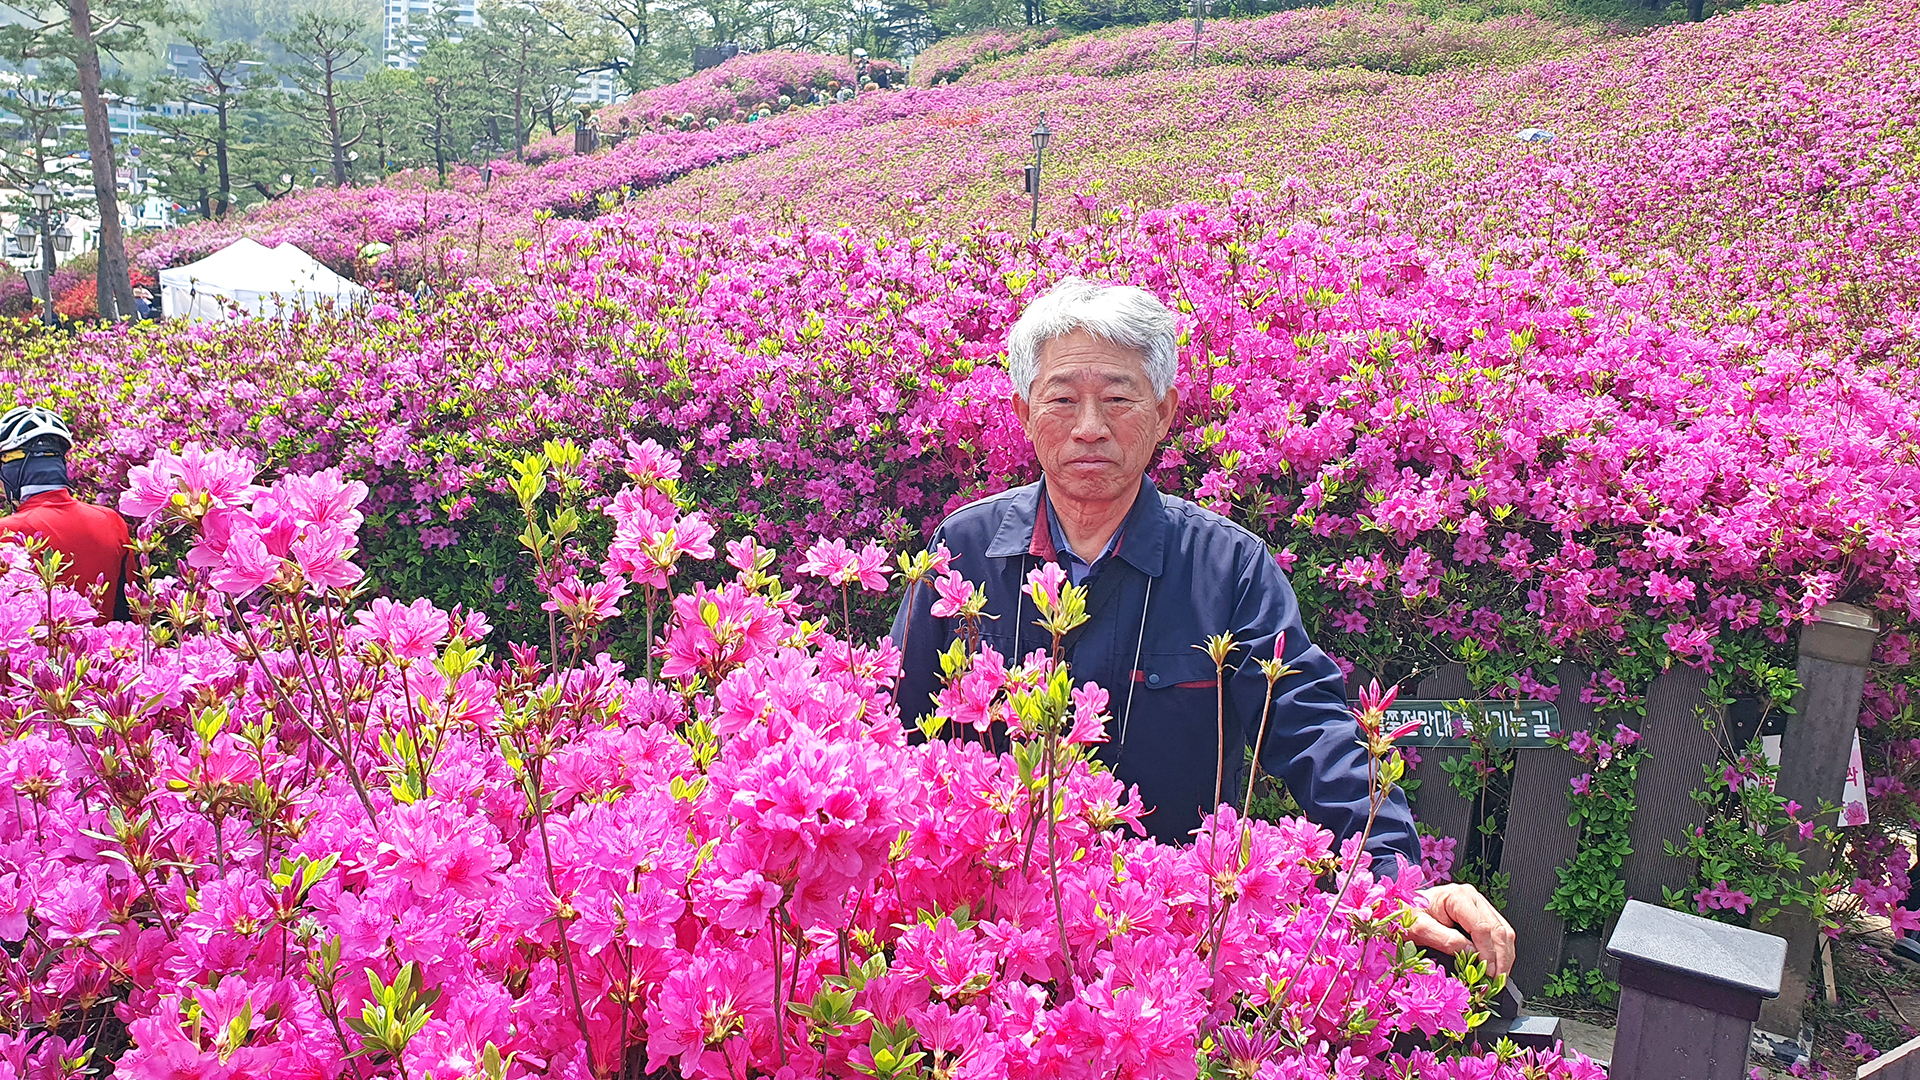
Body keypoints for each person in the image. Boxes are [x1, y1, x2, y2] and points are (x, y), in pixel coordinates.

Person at [891, 277, 1516, 975]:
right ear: (1023, 411)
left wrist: (1396, 877)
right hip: (990, 933)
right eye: (1062, 399)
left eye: (1119, 398)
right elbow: (894, 731)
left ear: (1164, 412)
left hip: (1169, 943)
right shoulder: (964, 550)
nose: (1090, 426)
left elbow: (1312, 730)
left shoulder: (1228, 568)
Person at [0, 405, 134, 622]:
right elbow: (128, 612)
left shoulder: (6, 531)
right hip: (106, 643)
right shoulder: (111, 520)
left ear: (11, 471)